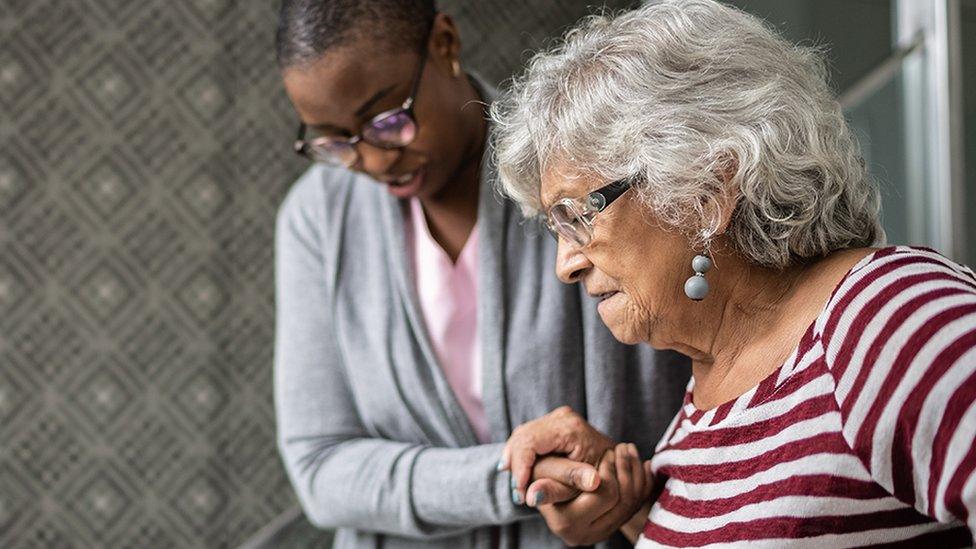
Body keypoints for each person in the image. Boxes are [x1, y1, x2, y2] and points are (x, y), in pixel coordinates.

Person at [490, 0, 976, 546]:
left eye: (578, 216)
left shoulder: (885, 314)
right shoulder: (705, 395)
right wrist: (633, 508)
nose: (566, 265)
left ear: (706, 192)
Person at [272, 1, 689, 547]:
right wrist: (511, 478)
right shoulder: (318, 220)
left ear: (444, 42)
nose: (372, 162)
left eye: (387, 121)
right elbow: (322, 465)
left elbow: (681, 394)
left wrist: (618, 496)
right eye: (335, 142)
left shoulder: (582, 166)